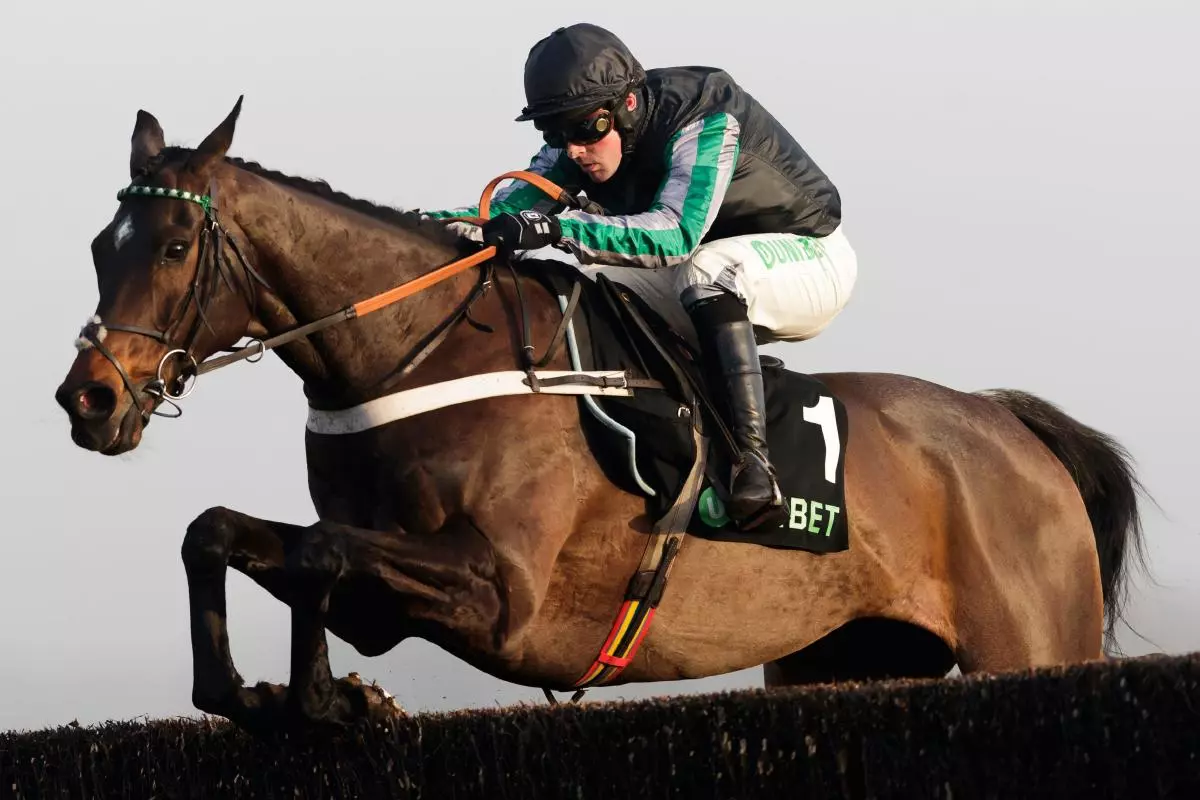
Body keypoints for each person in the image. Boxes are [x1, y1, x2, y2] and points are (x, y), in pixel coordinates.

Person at [423, 23, 857, 532]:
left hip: (811, 256)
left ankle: (752, 465)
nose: (575, 150)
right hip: (702, 268)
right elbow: (500, 213)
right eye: (556, 134)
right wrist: (413, 228)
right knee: (592, 284)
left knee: (706, 271)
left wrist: (556, 227)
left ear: (628, 105)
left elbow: (676, 235)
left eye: (586, 130)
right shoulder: (578, 143)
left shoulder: (703, 114)